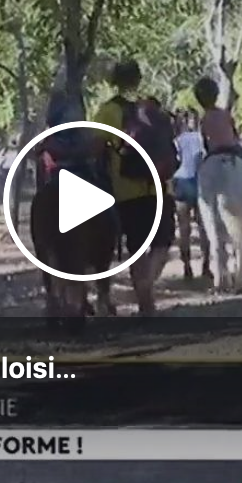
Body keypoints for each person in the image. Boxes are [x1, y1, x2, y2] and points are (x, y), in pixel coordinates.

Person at [91, 59, 176, 316]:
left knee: (137, 246)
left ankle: (145, 298)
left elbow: (94, 148)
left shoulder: (108, 111)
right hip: (160, 186)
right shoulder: (152, 108)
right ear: (138, 80)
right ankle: (147, 290)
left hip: (126, 191)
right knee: (162, 244)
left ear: (114, 82)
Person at [171, 109, 210, 280]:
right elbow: (201, 158)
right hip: (197, 181)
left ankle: (186, 266)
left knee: (184, 228)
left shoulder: (176, 140)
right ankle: (206, 265)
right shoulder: (199, 138)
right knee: (203, 227)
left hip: (180, 182)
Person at [193, 77, 242, 173]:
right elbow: (235, 134)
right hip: (233, 151)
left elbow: (205, 143)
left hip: (214, 154)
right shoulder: (225, 114)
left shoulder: (204, 120)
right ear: (216, 95)